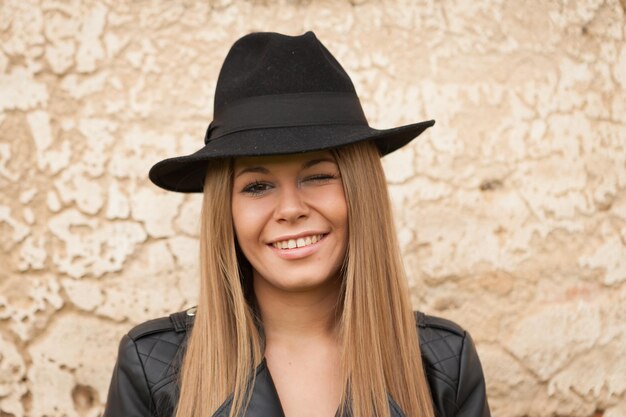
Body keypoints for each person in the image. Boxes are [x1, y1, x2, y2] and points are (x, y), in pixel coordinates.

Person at [103, 31, 490, 417]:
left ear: (361, 192)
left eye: (318, 177)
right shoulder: (151, 368)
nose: (290, 209)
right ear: (227, 211)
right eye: (257, 186)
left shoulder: (444, 365)